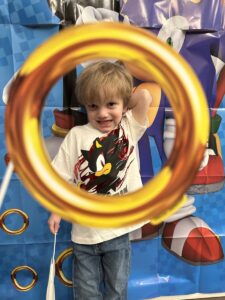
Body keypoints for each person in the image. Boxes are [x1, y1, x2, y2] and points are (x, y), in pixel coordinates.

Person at [48, 61, 152, 300]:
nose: (103, 113)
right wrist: (56, 211)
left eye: (111, 105)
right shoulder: (77, 135)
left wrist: (123, 100)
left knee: (117, 291)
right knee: (85, 292)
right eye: (94, 106)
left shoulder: (129, 127)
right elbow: (61, 179)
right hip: (84, 235)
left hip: (118, 233)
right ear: (85, 106)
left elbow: (144, 96)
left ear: (124, 106)